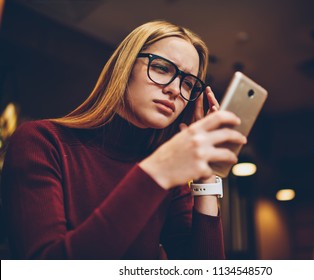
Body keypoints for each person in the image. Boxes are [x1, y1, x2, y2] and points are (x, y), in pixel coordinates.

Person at [0, 20, 246, 259]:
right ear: (125, 67)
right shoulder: (42, 142)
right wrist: (158, 170)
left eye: (188, 83)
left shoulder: (171, 178)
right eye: (161, 68)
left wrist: (206, 176)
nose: (174, 89)